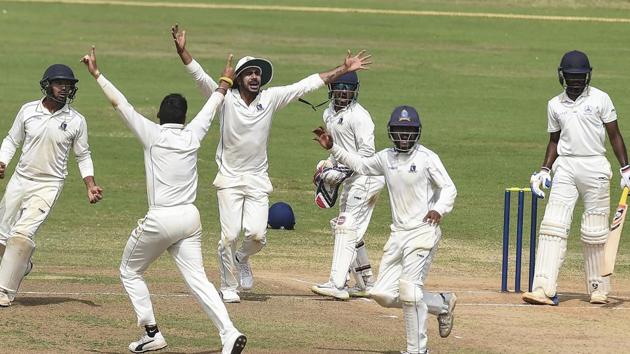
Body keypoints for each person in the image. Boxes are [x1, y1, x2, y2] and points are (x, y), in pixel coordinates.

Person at [171, 24, 372, 303]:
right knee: (228, 236)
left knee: (257, 236)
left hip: (256, 179)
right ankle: (228, 286)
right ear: (238, 78)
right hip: (229, 178)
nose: (255, 77)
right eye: (249, 73)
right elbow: (201, 78)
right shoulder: (224, 99)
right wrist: (183, 52)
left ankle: (242, 258)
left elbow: (309, 83)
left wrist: (343, 68)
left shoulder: (270, 98)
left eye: (258, 73)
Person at [81, 47, 246, 354]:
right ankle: (229, 332)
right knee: (199, 281)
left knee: (129, 271)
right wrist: (226, 76)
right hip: (190, 219)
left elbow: (121, 104)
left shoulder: (151, 133)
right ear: (184, 117)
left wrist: (97, 74)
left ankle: (152, 333)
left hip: (162, 219)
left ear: (158, 115)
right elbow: (215, 101)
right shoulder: (193, 133)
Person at [313, 105, 457, 354]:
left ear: (417, 132)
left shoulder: (427, 158)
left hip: (424, 231)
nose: (404, 136)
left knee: (410, 292)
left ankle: (417, 350)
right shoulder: (385, 158)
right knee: (381, 294)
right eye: (399, 130)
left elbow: (449, 188)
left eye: (409, 131)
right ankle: (441, 303)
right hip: (398, 235)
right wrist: (333, 148)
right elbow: (361, 165)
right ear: (391, 131)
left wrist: (440, 209)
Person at [523, 50, 630, 306]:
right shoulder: (554, 104)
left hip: (595, 164)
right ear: (562, 76)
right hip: (566, 166)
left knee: (594, 230)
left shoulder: (601, 99)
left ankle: (598, 288)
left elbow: (614, 135)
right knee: (553, 226)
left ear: (588, 76)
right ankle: (542, 288)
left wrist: (626, 169)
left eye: (580, 77)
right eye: (571, 77)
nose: (575, 81)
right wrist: (544, 170)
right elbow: (553, 141)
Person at [0, 63, 103, 307]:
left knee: (22, 236)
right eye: (60, 84)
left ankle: (4, 292)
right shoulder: (28, 111)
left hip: (48, 185)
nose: (65, 89)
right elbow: (12, 140)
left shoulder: (76, 120)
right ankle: (23, 265)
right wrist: (2, 161)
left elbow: (83, 155)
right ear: (47, 84)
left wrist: (90, 184)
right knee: (2, 239)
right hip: (20, 180)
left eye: (68, 85)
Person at [310, 72, 385, 300]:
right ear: (332, 90)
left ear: (355, 90)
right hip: (351, 179)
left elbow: (367, 156)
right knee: (344, 228)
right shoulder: (328, 114)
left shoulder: (360, 117)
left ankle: (337, 283)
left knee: (345, 226)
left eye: (348, 88)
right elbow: (337, 150)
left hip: (367, 178)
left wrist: (340, 172)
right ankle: (365, 283)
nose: (343, 92)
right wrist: (326, 167)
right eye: (339, 87)